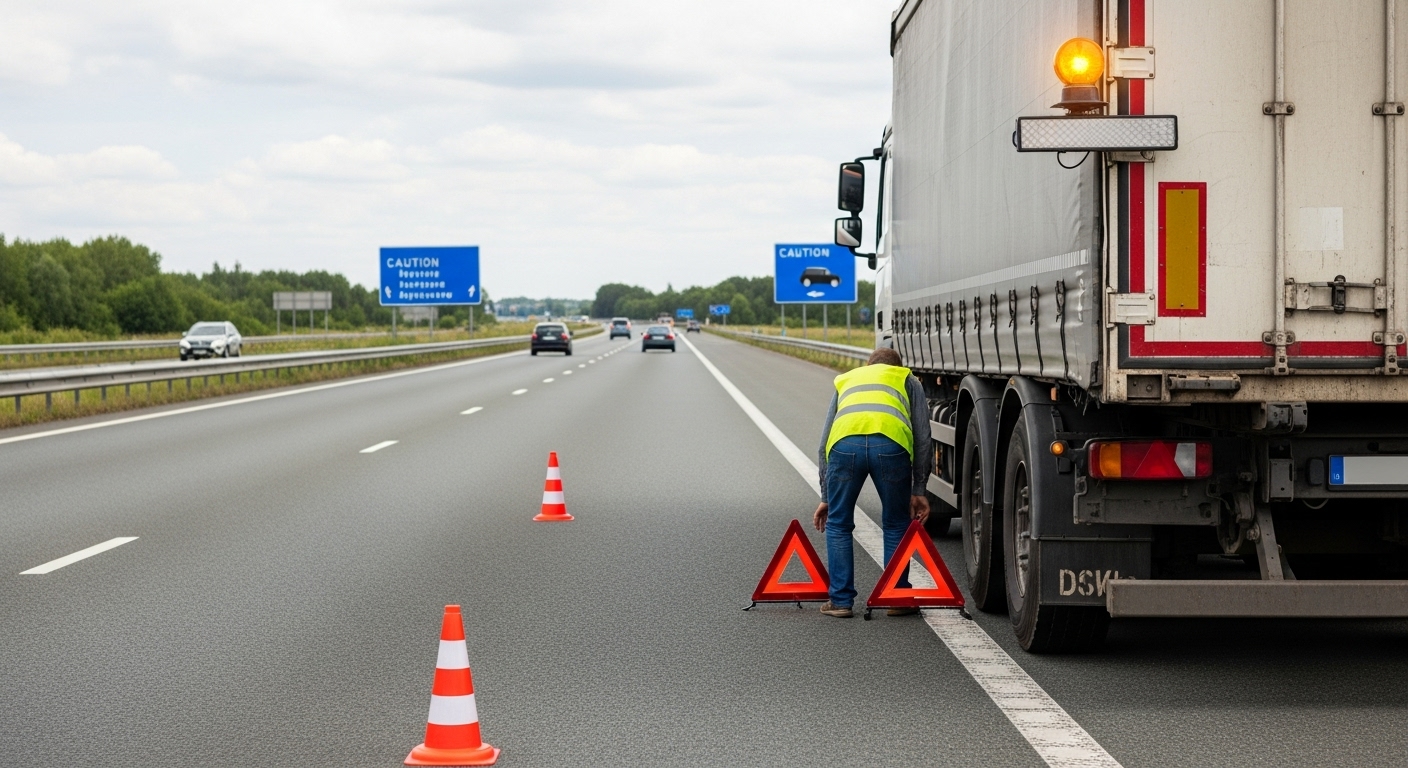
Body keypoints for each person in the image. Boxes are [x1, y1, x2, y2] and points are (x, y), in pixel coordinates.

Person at [812, 347, 932, 618]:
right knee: (896, 523)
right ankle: (897, 598)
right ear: (897, 366)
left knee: (839, 523)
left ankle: (841, 601)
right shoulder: (907, 380)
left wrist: (826, 496)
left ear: (868, 365)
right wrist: (919, 490)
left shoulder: (848, 379)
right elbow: (923, 437)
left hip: (844, 447)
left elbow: (823, 443)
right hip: (891, 447)